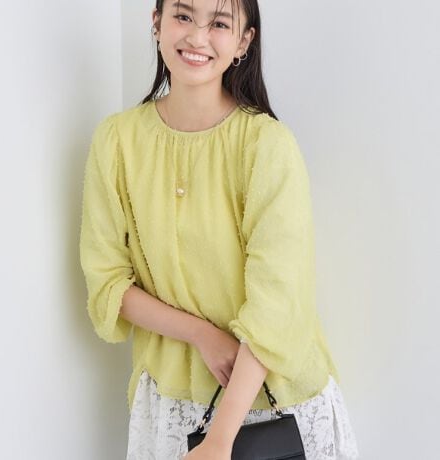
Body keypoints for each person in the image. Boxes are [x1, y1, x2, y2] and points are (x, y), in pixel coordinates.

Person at [79, 0, 360, 458]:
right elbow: (107, 284)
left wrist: (220, 439)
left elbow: (277, 305)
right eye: (183, 16)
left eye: (219, 23)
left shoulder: (266, 144)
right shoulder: (116, 142)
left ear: (244, 41)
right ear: (156, 22)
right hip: (170, 404)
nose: (197, 37)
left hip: (275, 408)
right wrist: (201, 333)